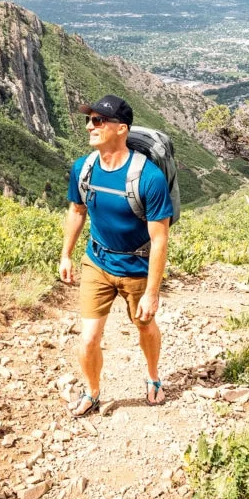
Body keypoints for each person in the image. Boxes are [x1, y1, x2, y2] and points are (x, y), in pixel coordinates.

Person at [59, 94, 173, 417]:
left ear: (121, 129)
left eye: (98, 120)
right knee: (89, 338)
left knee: (145, 327)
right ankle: (92, 392)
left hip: (136, 266)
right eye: (89, 120)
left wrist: (152, 292)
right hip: (97, 261)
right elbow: (77, 211)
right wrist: (66, 254)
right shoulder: (82, 169)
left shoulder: (149, 178)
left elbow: (160, 239)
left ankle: (153, 376)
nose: (89, 126)